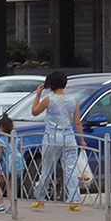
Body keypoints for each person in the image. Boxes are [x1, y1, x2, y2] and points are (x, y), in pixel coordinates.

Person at [30, 70, 84, 211]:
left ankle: (40, 197)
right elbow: (77, 122)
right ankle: (74, 200)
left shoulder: (49, 100)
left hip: (52, 138)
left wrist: (38, 95)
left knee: (47, 168)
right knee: (71, 169)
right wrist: (82, 140)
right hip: (69, 137)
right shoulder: (74, 101)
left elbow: (34, 112)